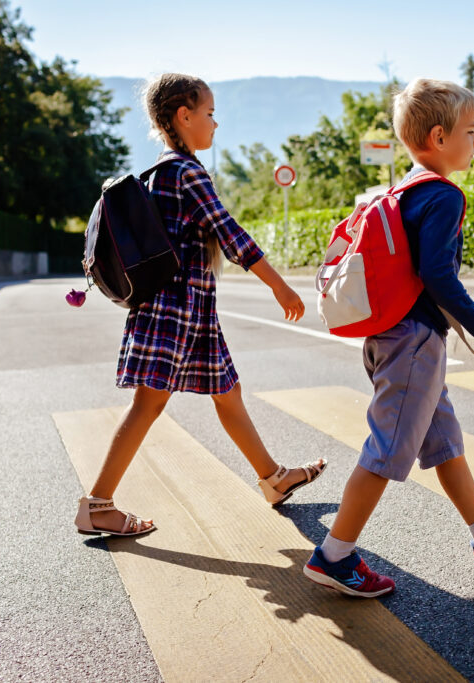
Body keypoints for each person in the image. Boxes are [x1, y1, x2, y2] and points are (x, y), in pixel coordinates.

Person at [303, 78, 474, 597]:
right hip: (412, 343)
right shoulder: (441, 196)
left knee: (442, 440)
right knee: (387, 450)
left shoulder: (398, 191)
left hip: (388, 337)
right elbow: (439, 276)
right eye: (471, 131)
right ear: (439, 137)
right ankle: (334, 554)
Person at [75, 73, 325, 537]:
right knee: (148, 405)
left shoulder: (161, 172)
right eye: (209, 114)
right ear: (182, 116)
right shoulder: (185, 172)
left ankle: (273, 479)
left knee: (228, 395)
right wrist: (280, 286)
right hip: (174, 311)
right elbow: (230, 234)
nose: (215, 123)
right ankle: (97, 504)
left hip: (190, 312)